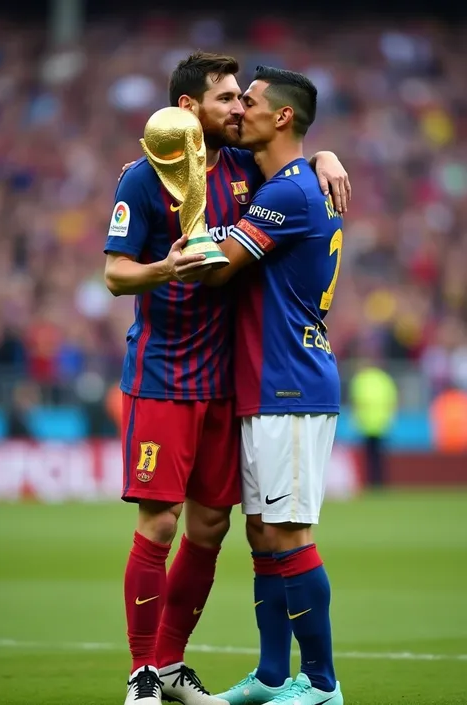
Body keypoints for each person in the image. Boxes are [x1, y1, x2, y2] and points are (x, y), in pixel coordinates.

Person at [104, 52, 350, 705]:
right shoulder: (141, 177)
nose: (239, 109)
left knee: (213, 530)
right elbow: (114, 274)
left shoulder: (244, 168)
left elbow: (288, 154)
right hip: (162, 374)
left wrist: (323, 156)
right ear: (189, 108)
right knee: (159, 527)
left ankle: (172, 663)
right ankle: (142, 676)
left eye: (245, 99)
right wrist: (166, 267)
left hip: (228, 384)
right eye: (227, 99)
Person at [176, 66, 345, 705]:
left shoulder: (291, 192)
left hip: (292, 386)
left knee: (290, 534)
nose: (238, 109)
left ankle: (323, 684)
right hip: (263, 383)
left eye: (249, 101)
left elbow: (217, 270)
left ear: (280, 118)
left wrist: (178, 231)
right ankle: (273, 676)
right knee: (262, 533)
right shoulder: (289, 182)